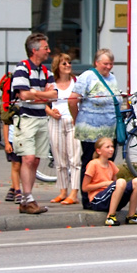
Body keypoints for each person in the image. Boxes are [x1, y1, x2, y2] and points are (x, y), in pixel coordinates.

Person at [11, 33, 58, 214]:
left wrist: (35, 94)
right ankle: (27, 197)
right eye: (45, 48)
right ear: (34, 50)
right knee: (28, 158)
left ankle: (27, 199)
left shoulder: (46, 71)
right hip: (27, 118)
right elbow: (23, 95)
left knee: (36, 159)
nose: (48, 51)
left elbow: (54, 94)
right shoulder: (22, 68)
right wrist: (42, 95)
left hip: (41, 118)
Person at [69, 48, 120, 208]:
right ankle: (88, 198)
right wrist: (76, 118)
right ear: (96, 63)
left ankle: (107, 196)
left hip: (109, 130)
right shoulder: (87, 77)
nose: (108, 67)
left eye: (111, 64)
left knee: (108, 163)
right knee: (90, 164)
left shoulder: (112, 78)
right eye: (105, 64)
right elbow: (72, 100)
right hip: (91, 130)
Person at [82, 136, 137, 226]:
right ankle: (110, 216)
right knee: (121, 182)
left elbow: (117, 185)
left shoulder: (111, 164)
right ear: (99, 151)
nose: (111, 149)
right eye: (107, 147)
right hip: (97, 200)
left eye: (112, 146)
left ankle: (131, 216)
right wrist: (105, 183)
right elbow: (85, 188)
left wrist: (114, 185)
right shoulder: (93, 164)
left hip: (110, 198)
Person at [46, 53, 82, 204]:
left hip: (72, 120)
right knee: (59, 158)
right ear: (57, 67)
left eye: (69, 63)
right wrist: (51, 112)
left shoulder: (77, 82)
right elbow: (44, 104)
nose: (68, 66)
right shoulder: (51, 85)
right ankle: (62, 191)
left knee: (74, 157)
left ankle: (74, 192)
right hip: (56, 121)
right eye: (64, 64)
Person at [2, 120, 22, 204]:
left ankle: (13, 187)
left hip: (27, 137)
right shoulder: (8, 107)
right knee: (16, 165)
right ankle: (17, 191)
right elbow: (6, 123)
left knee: (24, 165)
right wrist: (6, 143)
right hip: (13, 138)